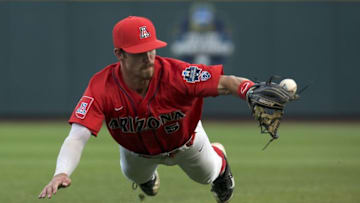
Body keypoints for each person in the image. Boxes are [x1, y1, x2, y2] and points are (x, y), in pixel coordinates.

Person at [38, 16, 256, 203]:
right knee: (137, 178)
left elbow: (226, 82)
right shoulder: (101, 86)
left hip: (186, 143)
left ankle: (220, 161)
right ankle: (147, 179)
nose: (148, 57)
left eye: (151, 48)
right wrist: (62, 172)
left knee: (207, 176)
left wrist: (250, 90)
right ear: (119, 54)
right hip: (137, 154)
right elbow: (77, 136)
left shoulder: (177, 74)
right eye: (138, 52)